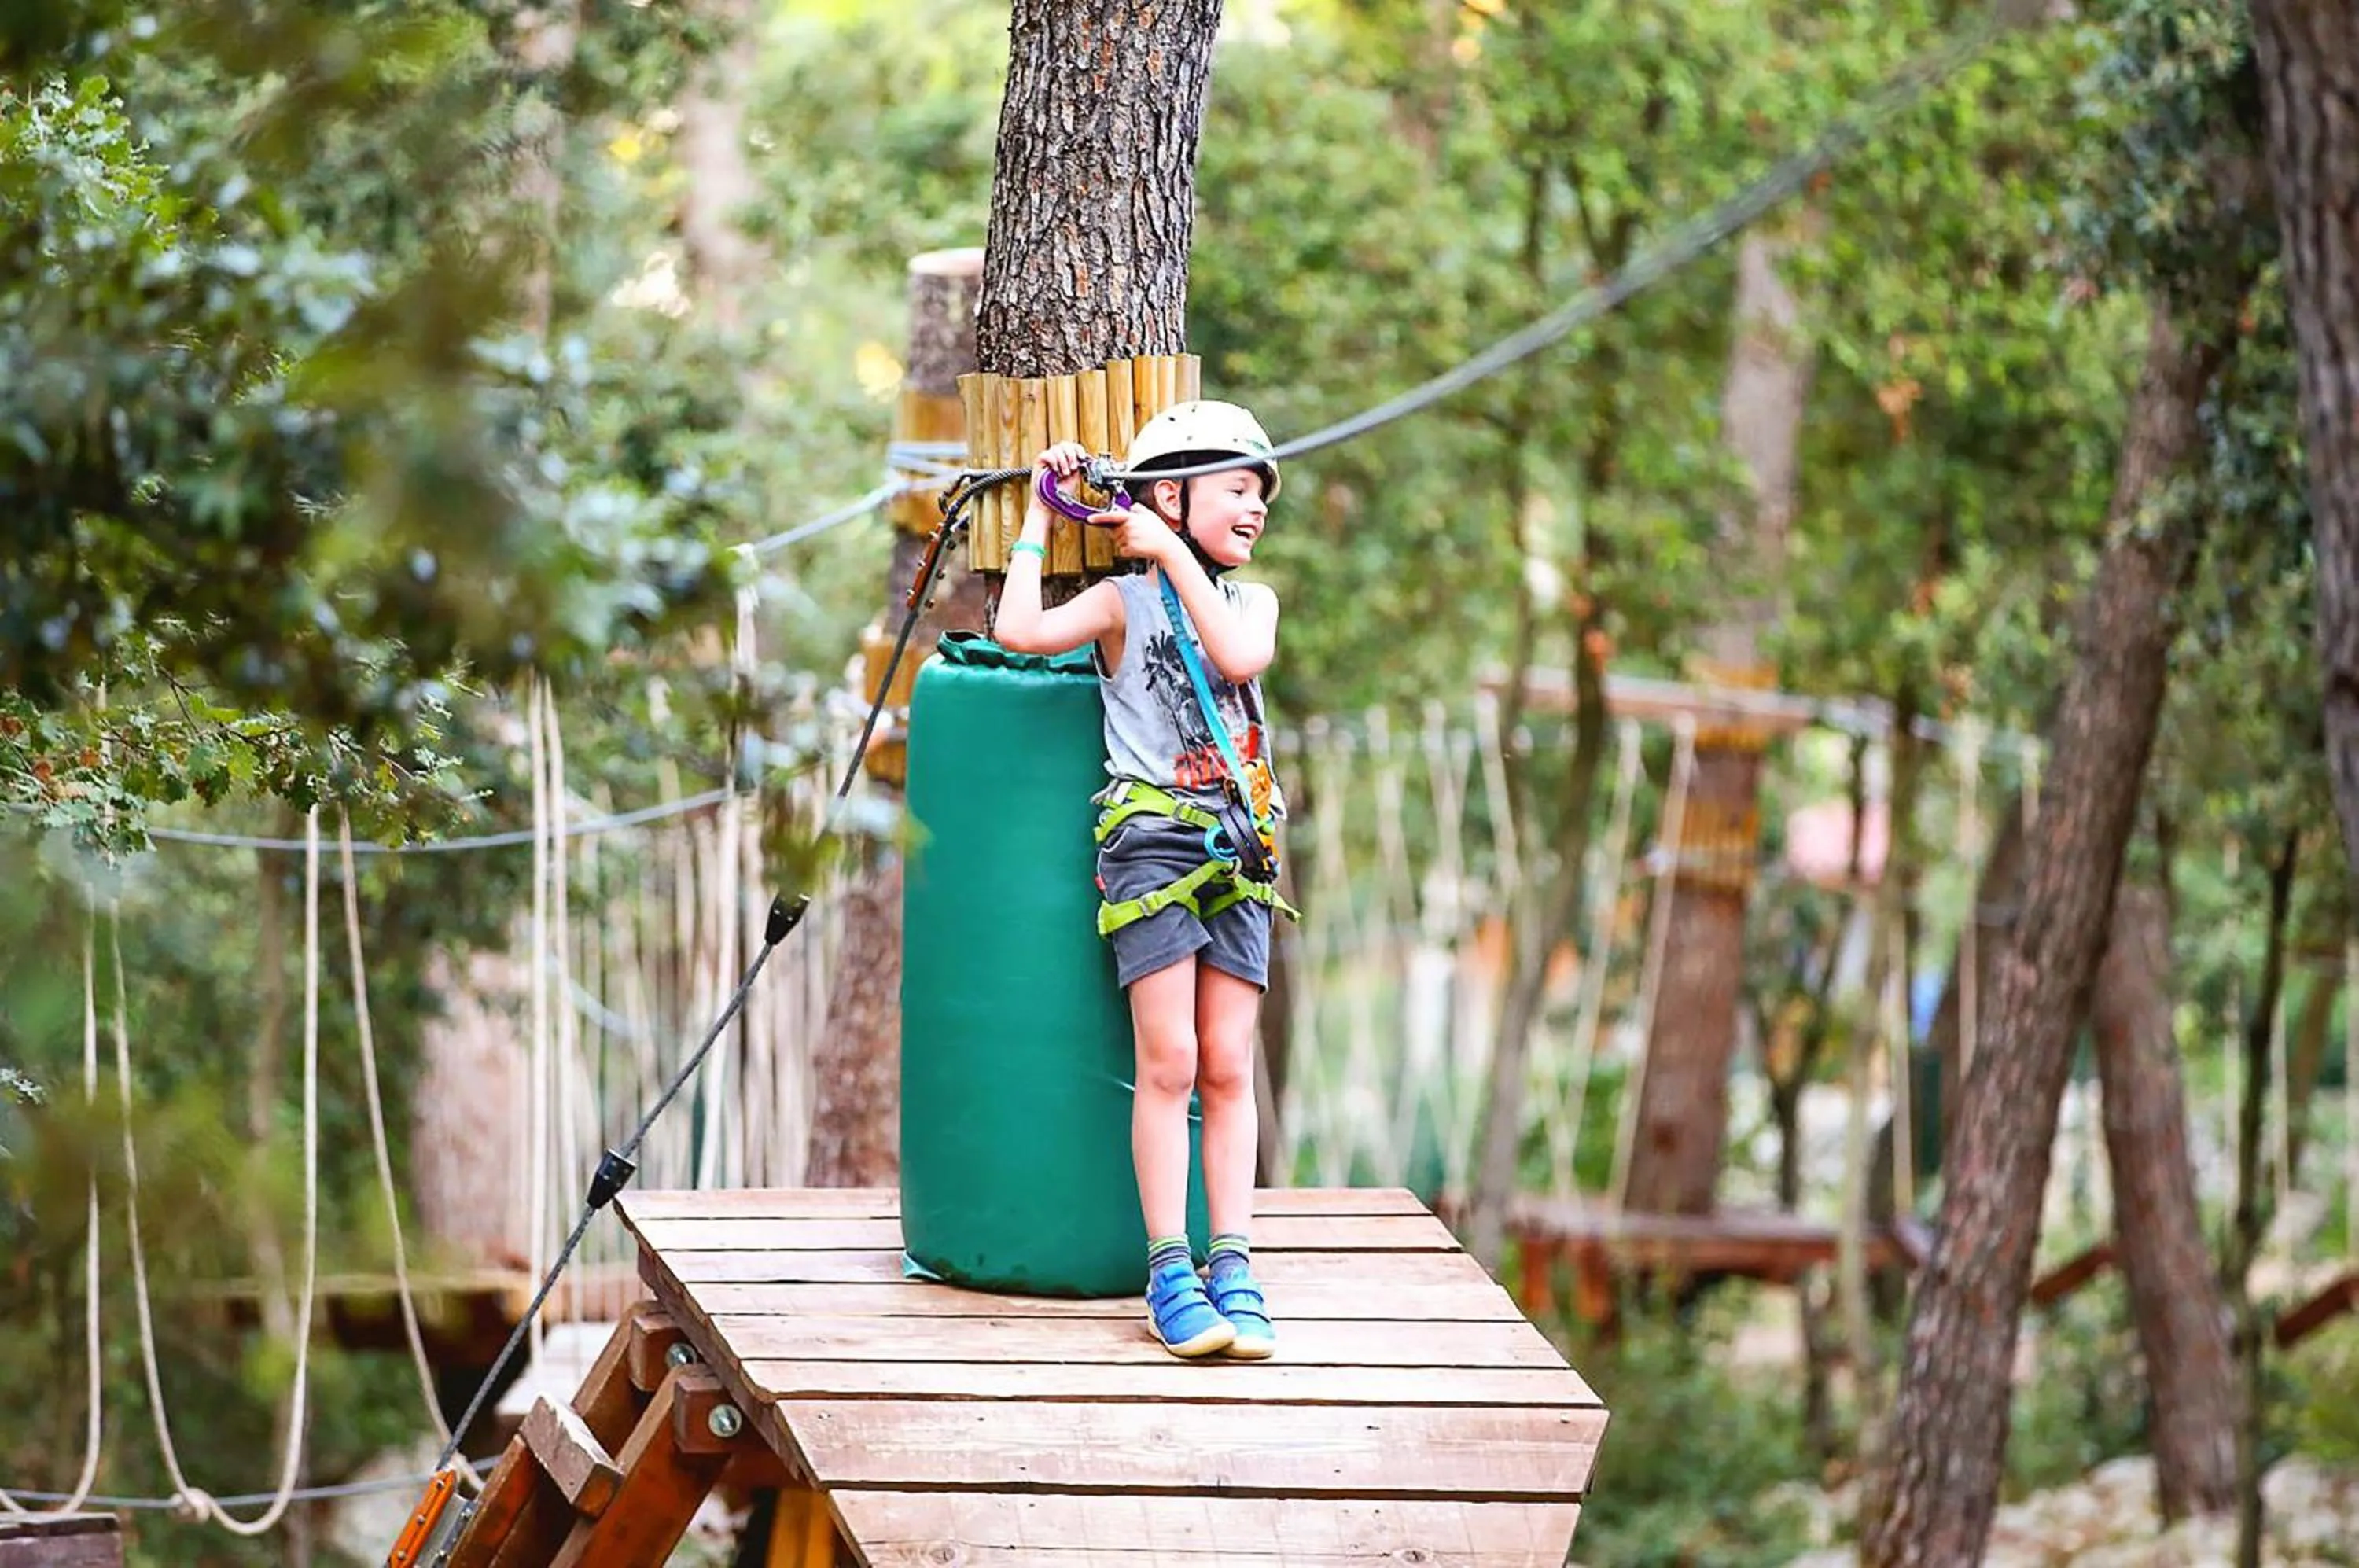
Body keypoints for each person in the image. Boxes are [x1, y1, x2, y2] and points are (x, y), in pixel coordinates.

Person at [994, 399, 1292, 1360]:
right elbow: (1017, 629)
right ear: (1171, 495)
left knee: (1229, 1063)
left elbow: (1238, 656)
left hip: (1240, 845)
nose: (1255, 508)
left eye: (1259, 494)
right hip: (1154, 845)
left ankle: (1233, 1263)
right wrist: (1040, 513)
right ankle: (1171, 1271)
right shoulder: (1122, 603)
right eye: (1236, 489)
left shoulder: (1252, 603)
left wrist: (1169, 551)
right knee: (1170, 1060)